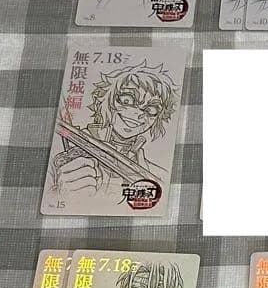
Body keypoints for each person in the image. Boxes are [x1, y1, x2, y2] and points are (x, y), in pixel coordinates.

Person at [51, 61, 178, 197]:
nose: (139, 114)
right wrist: (60, 192)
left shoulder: (156, 173)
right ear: (103, 99)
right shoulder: (64, 153)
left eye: (151, 110)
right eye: (127, 100)